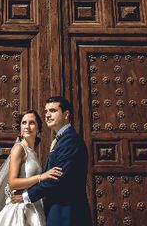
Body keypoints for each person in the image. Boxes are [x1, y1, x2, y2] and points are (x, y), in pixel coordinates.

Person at [12, 96, 92, 226]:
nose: (48, 115)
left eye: (53, 111)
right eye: (46, 111)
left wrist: (26, 196)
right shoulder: (61, 140)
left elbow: (57, 177)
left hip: (67, 213)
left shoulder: (70, 140)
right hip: (55, 211)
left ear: (66, 115)